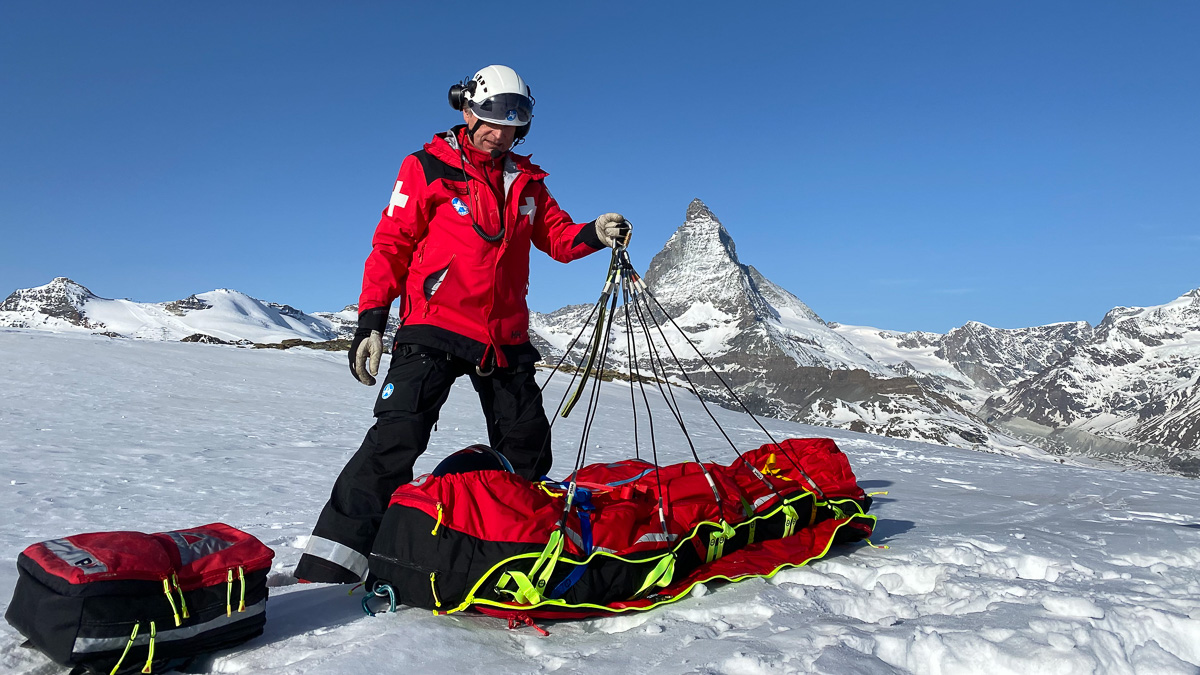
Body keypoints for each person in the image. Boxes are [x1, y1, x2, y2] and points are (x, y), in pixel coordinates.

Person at [295, 65, 631, 584]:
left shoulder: (528, 183)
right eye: (492, 117)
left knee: (527, 448)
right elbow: (391, 245)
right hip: (434, 326)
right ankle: (330, 568)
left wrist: (593, 232)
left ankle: (509, 547)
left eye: (514, 121)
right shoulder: (426, 167)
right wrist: (371, 320)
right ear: (467, 109)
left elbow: (558, 240)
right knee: (396, 440)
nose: (501, 131)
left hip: (505, 337)